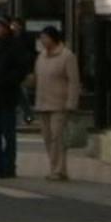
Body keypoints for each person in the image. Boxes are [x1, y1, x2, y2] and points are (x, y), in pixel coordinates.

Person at [0, 17, 34, 178]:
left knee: (7, 132)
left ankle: (8, 165)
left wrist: (8, 80)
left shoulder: (14, 45)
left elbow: (21, 69)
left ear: (6, 28)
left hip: (7, 94)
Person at [32, 26, 82, 180]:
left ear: (53, 38)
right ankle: (55, 167)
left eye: (45, 37)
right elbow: (36, 77)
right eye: (41, 38)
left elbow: (74, 81)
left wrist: (71, 102)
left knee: (57, 137)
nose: (42, 40)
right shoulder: (41, 56)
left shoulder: (67, 56)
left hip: (59, 103)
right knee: (47, 137)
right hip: (43, 102)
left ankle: (59, 170)